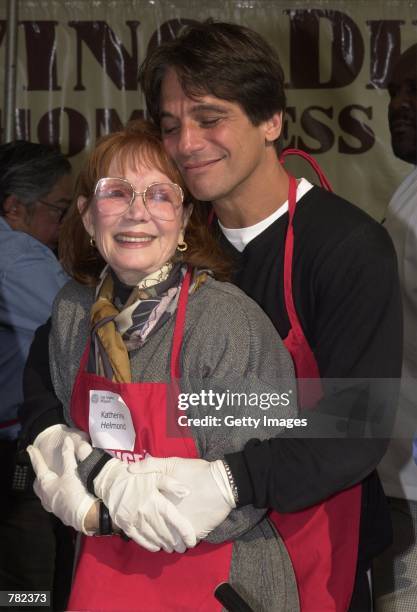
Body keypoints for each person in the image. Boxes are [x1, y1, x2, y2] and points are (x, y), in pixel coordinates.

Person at [137, 21, 403, 611]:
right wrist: (55, 431)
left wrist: (230, 479)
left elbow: (355, 426)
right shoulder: (166, 238)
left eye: (210, 118)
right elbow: (77, 342)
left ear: (271, 121)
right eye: (172, 124)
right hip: (179, 545)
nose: (186, 144)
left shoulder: (344, 245)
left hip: (308, 542)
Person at [26, 119, 301, 611]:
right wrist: (89, 483)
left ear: (182, 217)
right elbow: (62, 424)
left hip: (221, 581)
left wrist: (105, 505)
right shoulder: (73, 310)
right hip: (104, 575)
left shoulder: (225, 321)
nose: (137, 214)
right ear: (88, 217)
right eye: (116, 193)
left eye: (158, 195)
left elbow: (254, 486)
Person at [0, 141, 72, 606]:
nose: (64, 226)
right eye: (60, 210)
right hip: (11, 458)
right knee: (26, 587)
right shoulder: (18, 254)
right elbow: (79, 328)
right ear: (14, 208)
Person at [373, 43, 417, 611]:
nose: (399, 106)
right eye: (393, 94)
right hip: (394, 474)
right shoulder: (408, 190)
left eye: (416, 93)